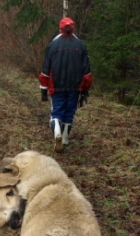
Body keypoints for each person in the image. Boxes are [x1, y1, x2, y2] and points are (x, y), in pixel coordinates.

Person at [39, 17, 93, 152]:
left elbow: (45, 70)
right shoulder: (80, 45)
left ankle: (56, 131)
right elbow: (87, 73)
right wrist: (85, 90)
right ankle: (64, 139)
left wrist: (43, 89)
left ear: (60, 28)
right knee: (69, 113)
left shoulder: (52, 46)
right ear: (73, 28)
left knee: (57, 112)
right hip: (75, 87)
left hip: (56, 86)